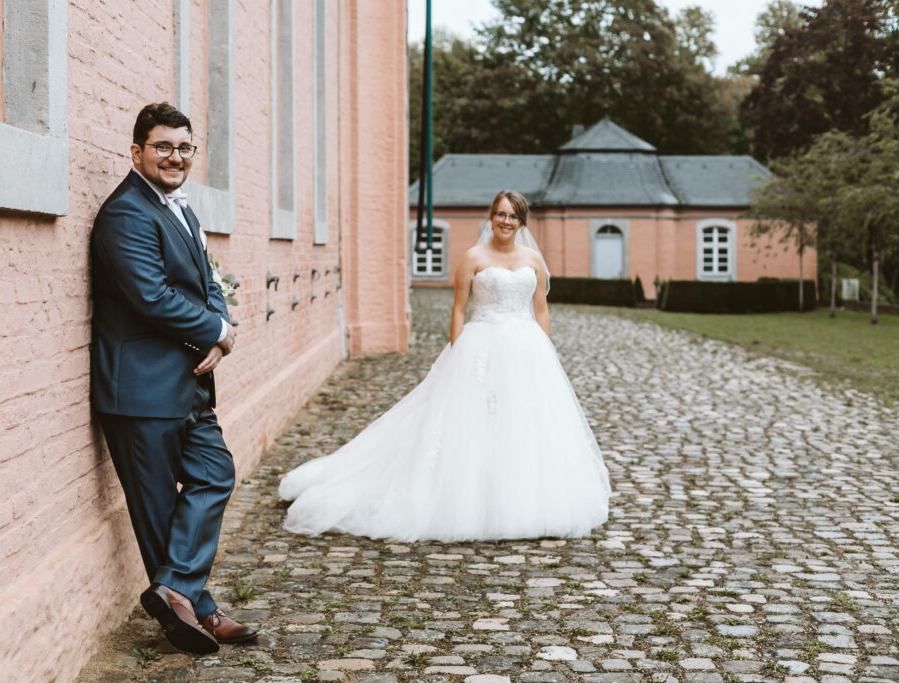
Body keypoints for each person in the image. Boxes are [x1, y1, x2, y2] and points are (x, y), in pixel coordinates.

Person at [279, 190, 610, 542]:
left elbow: (541, 310)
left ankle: (523, 498)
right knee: (471, 422)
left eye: (513, 216)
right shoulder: (473, 257)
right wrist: (458, 354)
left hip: (527, 350)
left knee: (523, 422)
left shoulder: (533, 260)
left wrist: (545, 353)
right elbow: (458, 309)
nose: (506, 222)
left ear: (522, 222)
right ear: (490, 217)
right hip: (480, 345)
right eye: (500, 214)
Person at [90, 102, 257, 654]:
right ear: (137, 151)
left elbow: (207, 279)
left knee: (215, 474)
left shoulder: (180, 209)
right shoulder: (125, 214)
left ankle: (175, 592)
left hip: (186, 382)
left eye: (184, 147)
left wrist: (218, 323)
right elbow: (150, 296)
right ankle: (198, 613)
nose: (175, 157)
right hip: (139, 389)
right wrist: (215, 329)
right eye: (163, 146)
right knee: (158, 508)